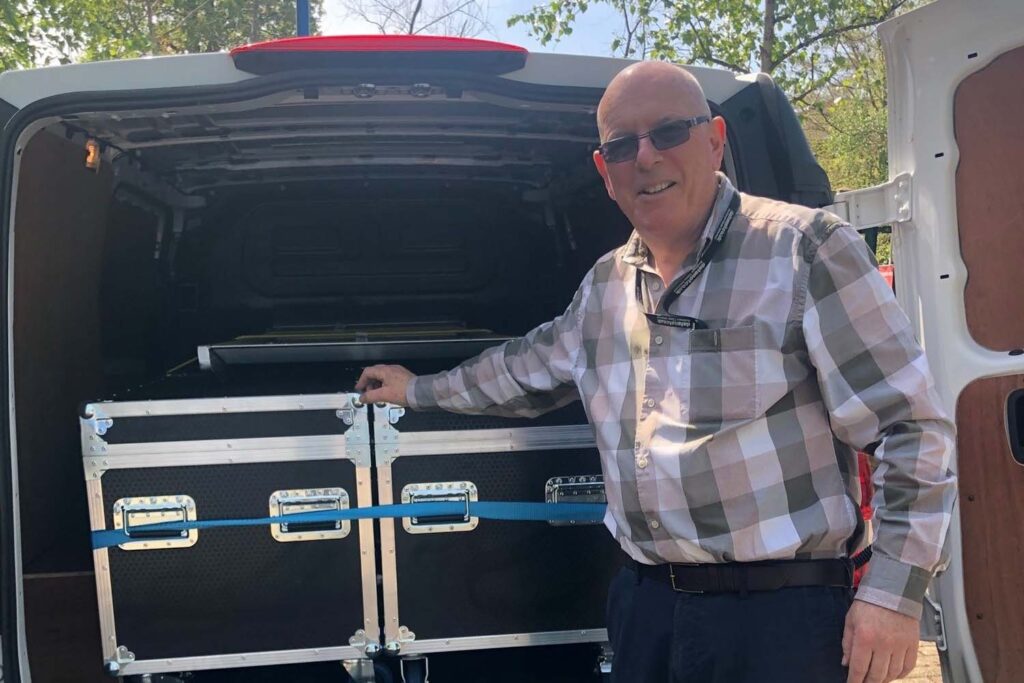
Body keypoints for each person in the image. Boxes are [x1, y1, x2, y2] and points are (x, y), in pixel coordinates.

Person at [355, 61, 957, 683]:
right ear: (604, 172)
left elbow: (910, 429)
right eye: (621, 144)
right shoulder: (605, 286)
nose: (645, 157)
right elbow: (525, 369)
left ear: (716, 138)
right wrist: (416, 390)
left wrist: (892, 595)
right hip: (647, 610)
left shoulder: (806, 250)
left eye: (669, 132)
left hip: (783, 619)